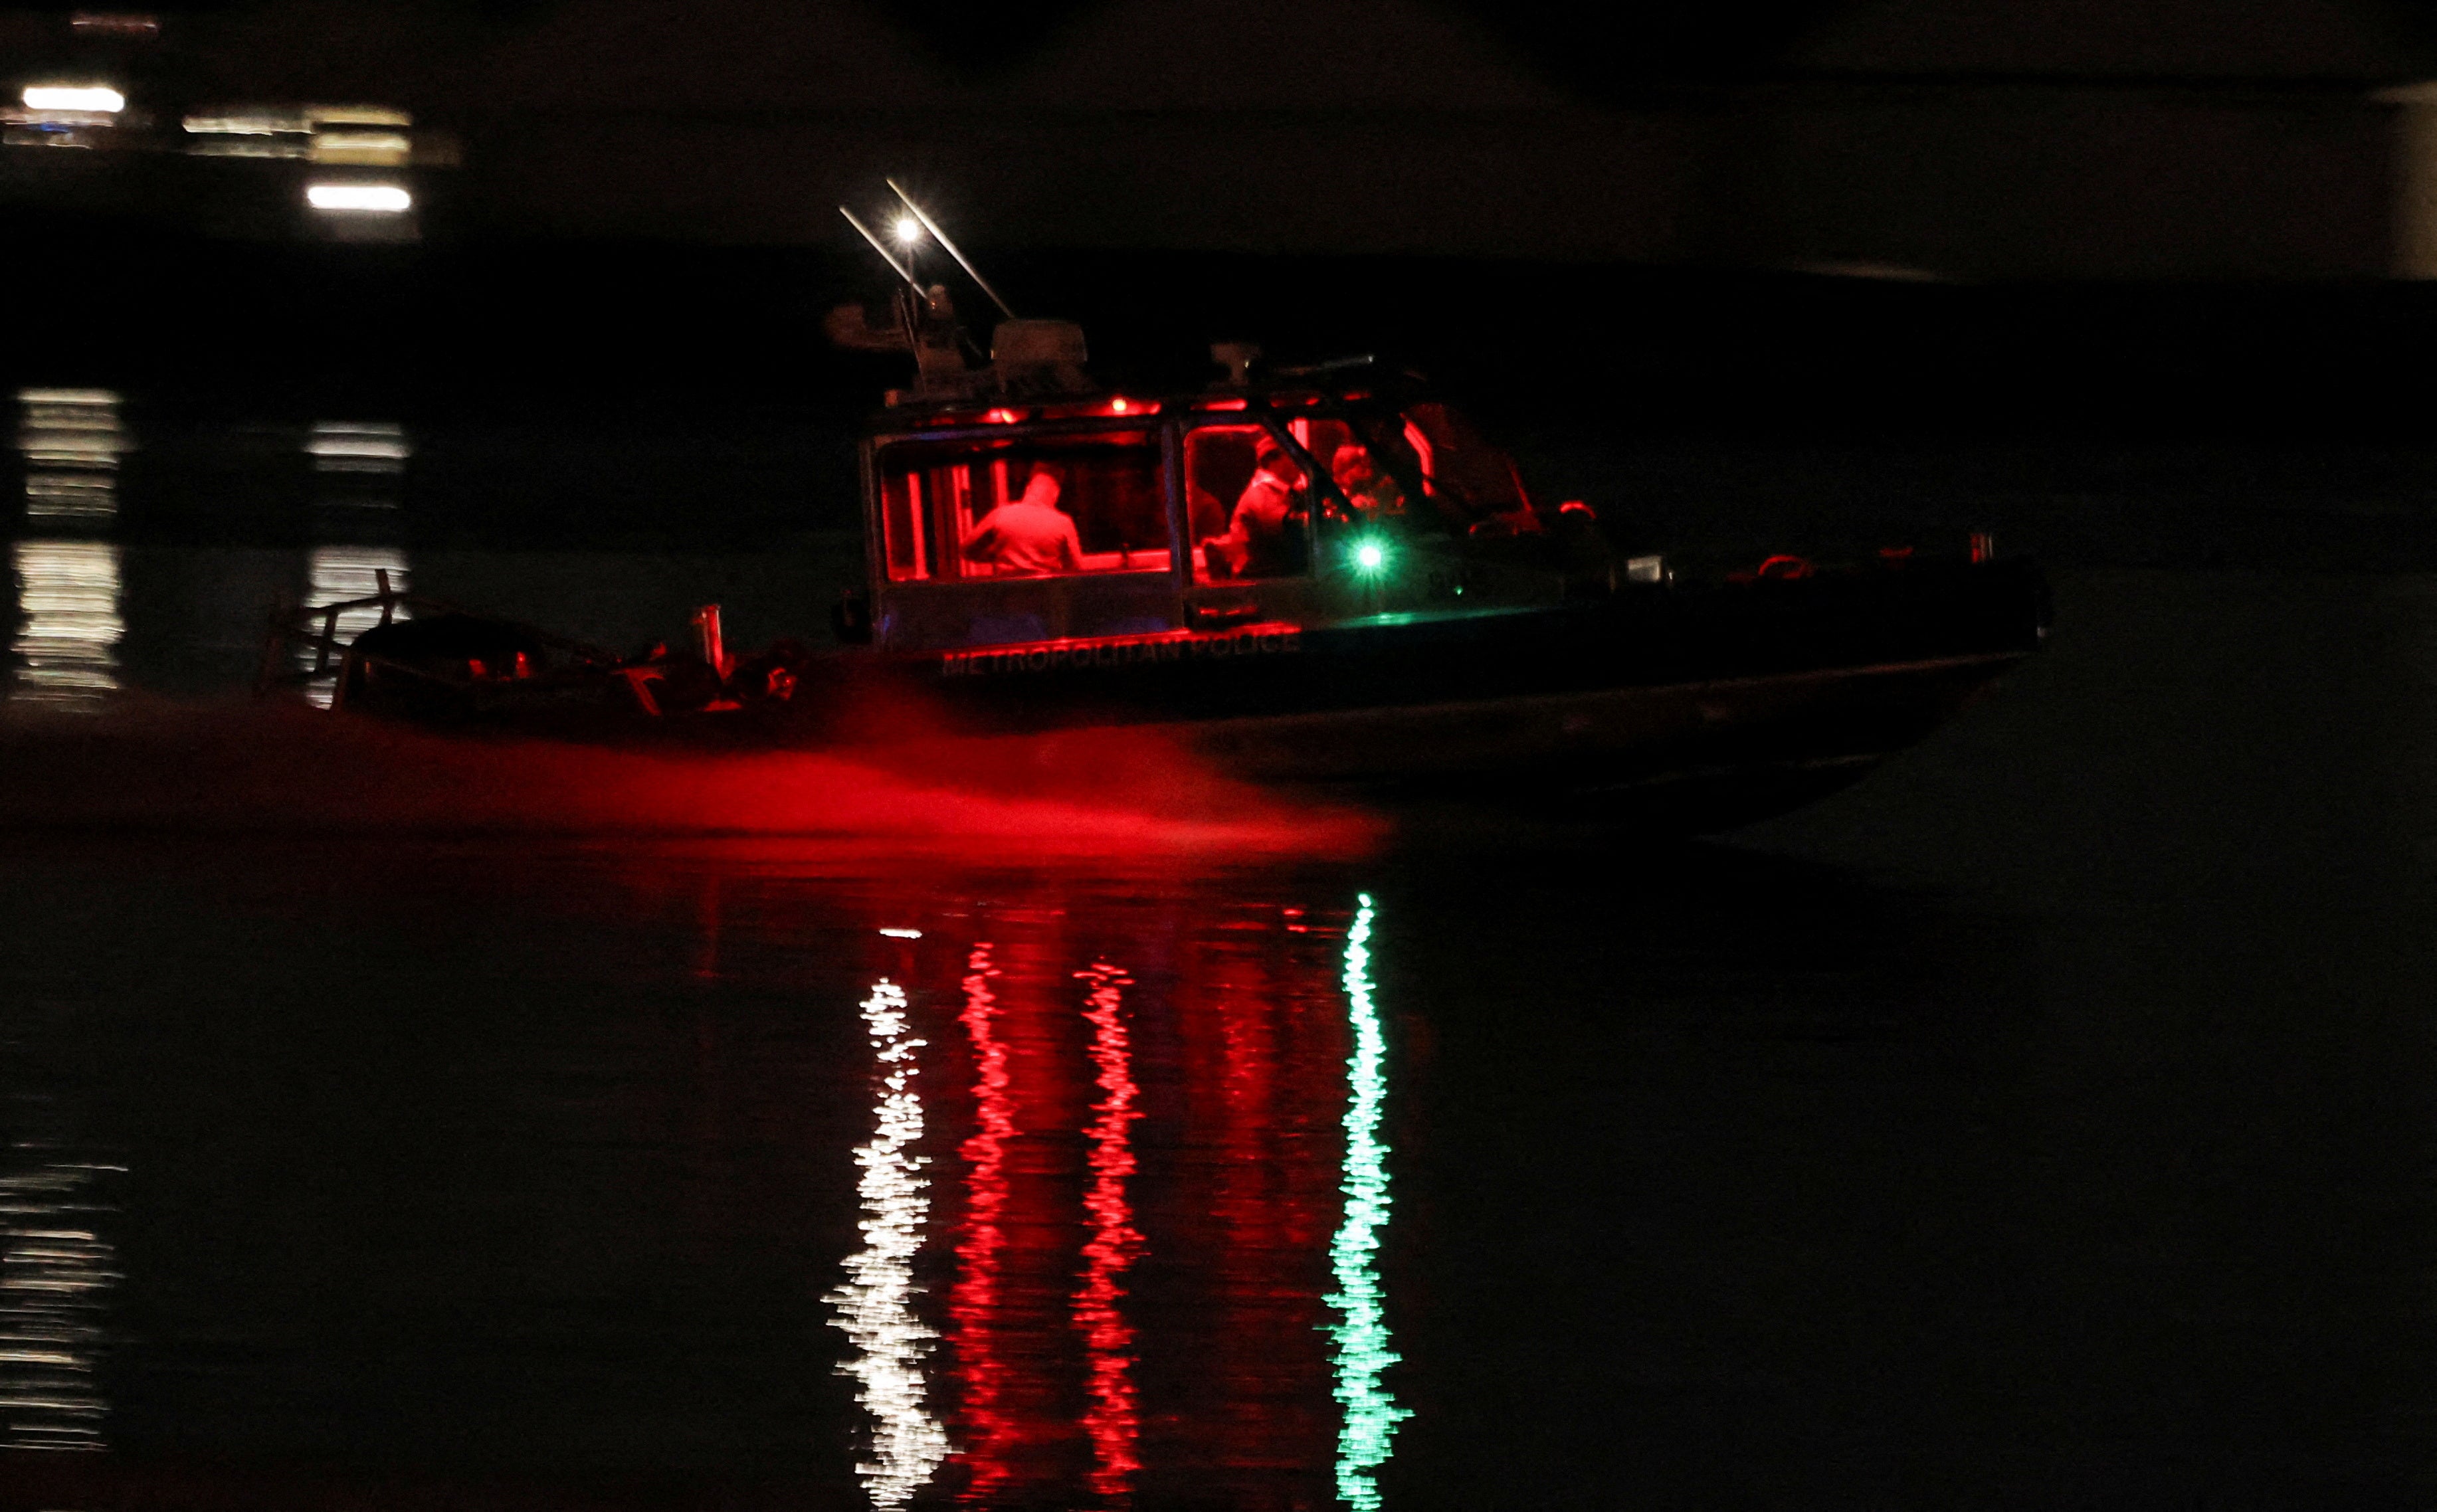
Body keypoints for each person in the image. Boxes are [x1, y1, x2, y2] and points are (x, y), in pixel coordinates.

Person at [1201, 440, 1303, 578]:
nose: (1300, 463)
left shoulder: (1282, 492)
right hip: (1259, 578)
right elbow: (1290, 525)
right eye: (1293, 456)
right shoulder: (1260, 494)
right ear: (1274, 462)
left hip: (1272, 575)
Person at [961, 462, 1084, 575]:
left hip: (1008, 592)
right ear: (1056, 494)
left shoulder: (1001, 514)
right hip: (1045, 593)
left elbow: (967, 549)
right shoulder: (1062, 523)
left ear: (1028, 489)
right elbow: (1075, 568)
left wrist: (996, 555)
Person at [1330, 443, 1405, 521]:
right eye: (1357, 461)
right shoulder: (1345, 500)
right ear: (1345, 473)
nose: (1365, 463)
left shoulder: (1386, 482)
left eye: (1364, 459)